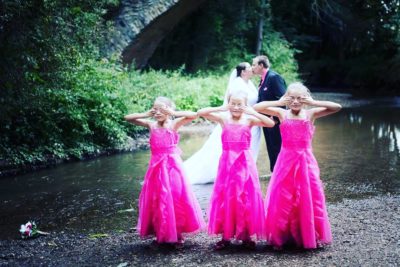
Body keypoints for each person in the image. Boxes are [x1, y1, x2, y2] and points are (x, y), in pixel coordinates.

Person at [253, 82, 341, 249]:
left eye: (299, 98)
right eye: (291, 98)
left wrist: (313, 102)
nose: (295, 101)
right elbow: (258, 107)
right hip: (286, 161)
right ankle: (283, 234)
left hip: (306, 160)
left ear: (305, 99)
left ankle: (306, 232)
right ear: (287, 98)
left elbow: (336, 107)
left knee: (308, 194)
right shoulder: (282, 113)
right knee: (284, 196)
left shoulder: (310, 113)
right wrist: (279, 102)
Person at [124, 96, 205, 248]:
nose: (158, 112)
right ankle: (160, 231)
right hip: (156, 167)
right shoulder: (151, 124)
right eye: (155, 109)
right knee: (157, 198)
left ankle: (177, 233)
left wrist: (172, 112)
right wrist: (146, 114)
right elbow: (128, 118)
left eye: (161, 109)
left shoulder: (173, 124)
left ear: (168, 110)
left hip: (172, 166)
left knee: (174, 197)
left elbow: (194, 115)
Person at [198, 90, 275, 250]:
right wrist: (223, 107)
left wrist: (251, 110)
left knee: (244, 196)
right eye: (233, 103)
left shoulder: (249, 120)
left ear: (245, 105)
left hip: (244, 163)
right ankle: (225, 235)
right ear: (228, 104)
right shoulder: (224, 118)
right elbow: (201, 112)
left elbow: (270, 123)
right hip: (227, 163)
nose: (236, 107)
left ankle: (246, 235)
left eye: (240, 104)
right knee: (226, 196)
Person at [184, 62, 261, 184]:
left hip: (248, 121)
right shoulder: (237, 84)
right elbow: (233, 103)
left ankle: (245, 172)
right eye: (249, 67)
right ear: (243, 72)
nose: (252, 69)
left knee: (247, 149)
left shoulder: (249, 83)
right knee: (228, 149)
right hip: (237, 121)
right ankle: (227, 172)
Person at [252, 55, 286, 172]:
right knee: (271, 146)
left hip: (275, 120)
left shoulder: (274, 77)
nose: (252, 68)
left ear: (261, 65)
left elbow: (283, 99)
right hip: (266, 120)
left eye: (254, 64)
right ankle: (275, 171)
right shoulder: (263, 79)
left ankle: (280, 171)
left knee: (277, 145)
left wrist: (276, 117)